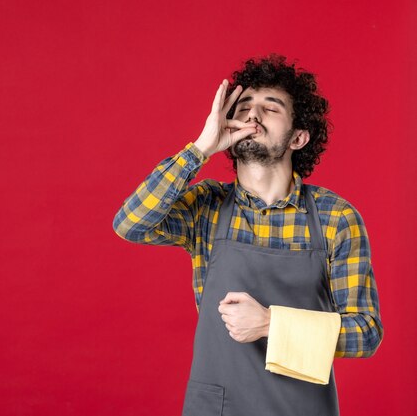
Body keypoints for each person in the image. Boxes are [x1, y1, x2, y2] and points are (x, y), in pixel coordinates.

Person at [112, 54, 383, 416]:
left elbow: (365, 333)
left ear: (298, 137)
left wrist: (273, 323)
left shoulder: (336, 217)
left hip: (301, 408)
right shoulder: (207, 206)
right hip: (217, 408)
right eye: (243, 107)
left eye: (270, 108)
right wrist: (199, 150)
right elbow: (130, 223)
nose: (252, 115)